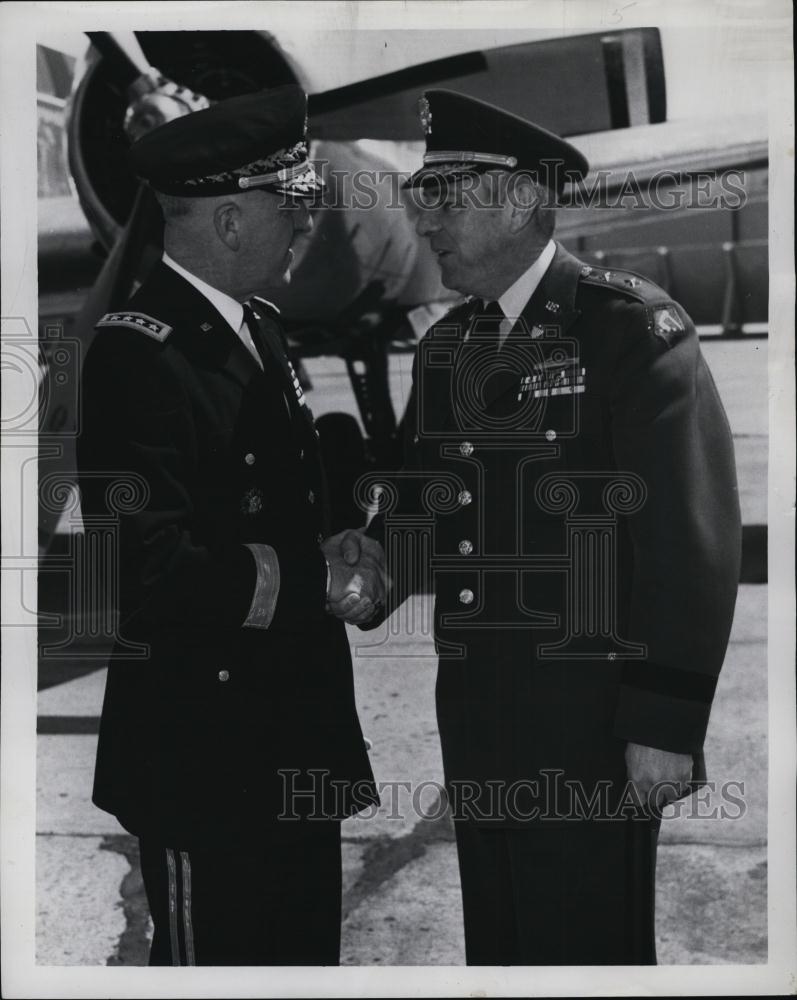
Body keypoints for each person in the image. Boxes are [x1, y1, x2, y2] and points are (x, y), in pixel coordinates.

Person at [349, 89, 742, 964]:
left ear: (522, 198)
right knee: (503, 942)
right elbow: (429, 506)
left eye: (444, 194)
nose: (424, 219)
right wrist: (376, 568)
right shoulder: (450, 346)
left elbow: (689, 542)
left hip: (594, 729)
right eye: (419, 195)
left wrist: (664, 724)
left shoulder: (626, 329)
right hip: (479, 715)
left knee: (586, 947)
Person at [76, 85, 386, 966]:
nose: (306, 228)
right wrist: (309, 579)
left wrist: (347, 537)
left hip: (291, 744)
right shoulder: (141, 357)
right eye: (293, 209)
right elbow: (145, 569)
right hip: (203, 764)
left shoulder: (258, 329)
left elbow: (277, 501)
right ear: (229, 222)